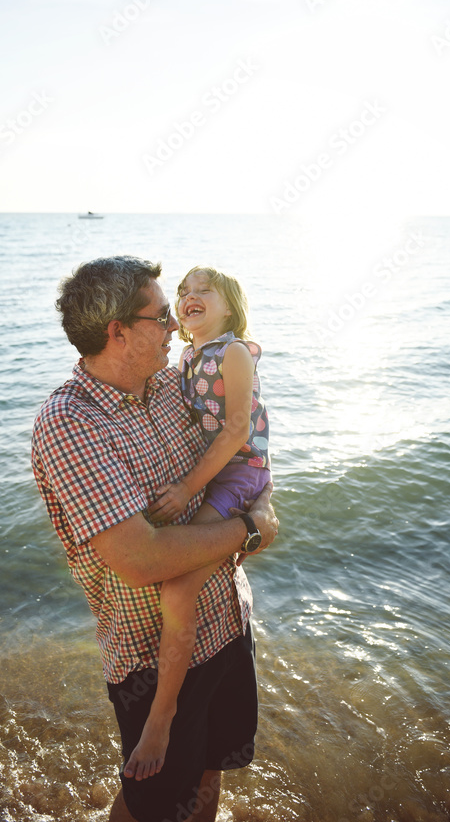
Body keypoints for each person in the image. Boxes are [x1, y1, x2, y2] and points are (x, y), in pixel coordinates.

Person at [30, 256, 278, 822]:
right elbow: (140, 560)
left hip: (226, 620)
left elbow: (244, 446)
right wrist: (250, 529)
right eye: (162, 316)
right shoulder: (71, 423)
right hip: (153, 658)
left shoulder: (175, 385)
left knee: (210, 773)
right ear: (118, 332)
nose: (174, 327)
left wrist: (262, 500)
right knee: (153, 807)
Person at [123, 266, 271, 782]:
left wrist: (187, 488)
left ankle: (161, 715)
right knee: (179, 574)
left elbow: (234, 432)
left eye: (201, 290)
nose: (188, 297)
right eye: (183, 292)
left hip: (237, 474)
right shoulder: (187, 357)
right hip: (214, 476)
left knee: (180, 584)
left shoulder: (233, 352)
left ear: (228, 305)